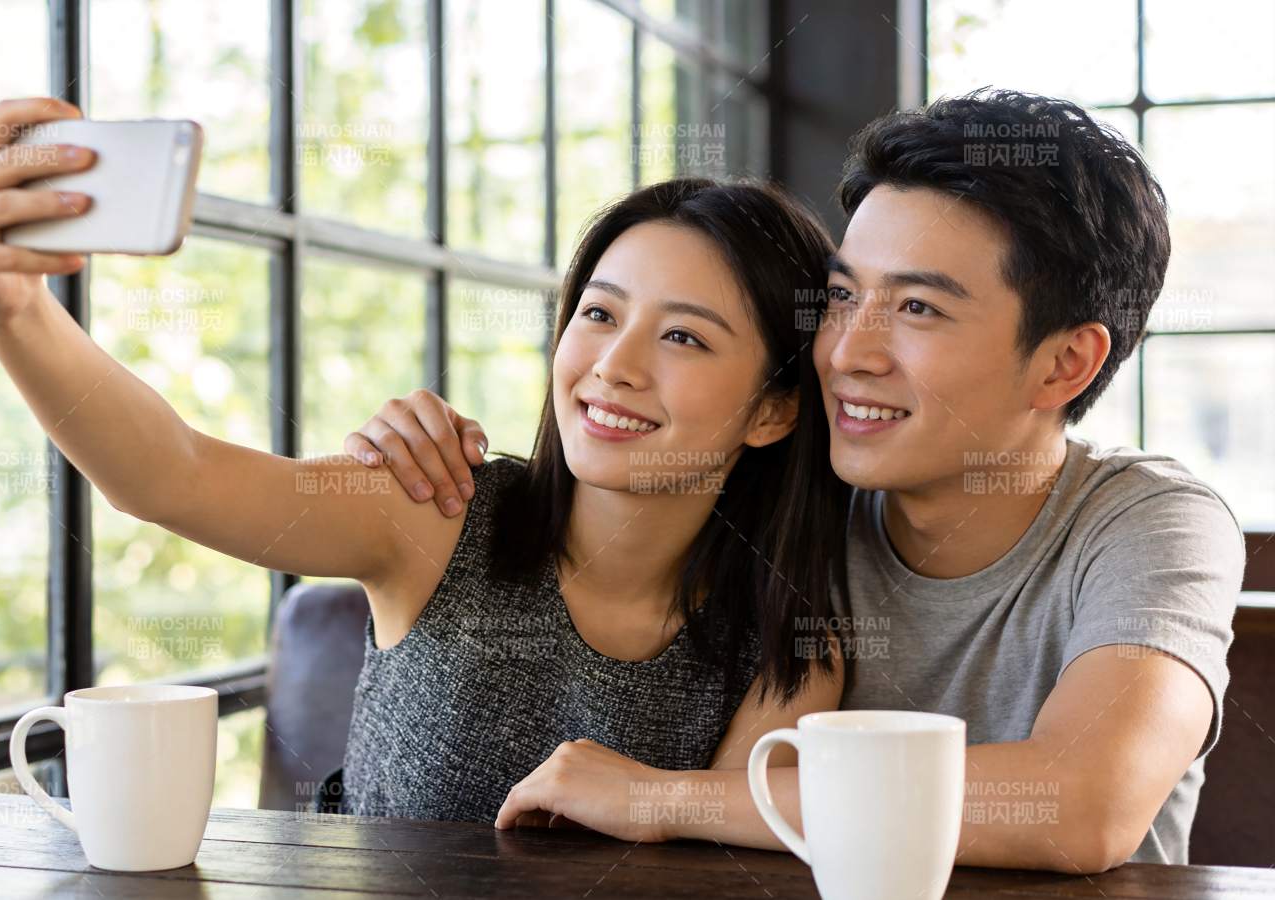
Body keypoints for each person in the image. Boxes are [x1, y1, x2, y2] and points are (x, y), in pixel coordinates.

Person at [343, 89, 1244, 871]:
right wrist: (415, 452)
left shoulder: (1153, 524)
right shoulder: (782, 507)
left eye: (920, 308)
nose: (848, 352)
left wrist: (667, 800)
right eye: (844, 296)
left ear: (1064, 365)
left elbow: (1080, 803)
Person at [0, 97, 852, 827]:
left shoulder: (784, 644)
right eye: (599, 314)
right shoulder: (437, 508)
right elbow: (169, 475)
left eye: (685, 336)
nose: (613, 366)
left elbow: (743, 864)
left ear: (772, 410)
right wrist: (11, 309)